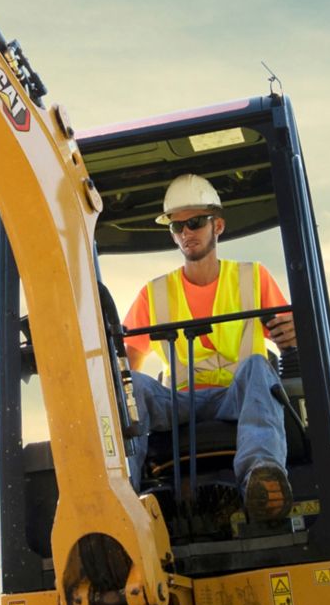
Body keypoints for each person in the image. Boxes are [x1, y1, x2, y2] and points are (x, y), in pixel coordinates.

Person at [120, 174, 298, 522]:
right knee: (133, 386)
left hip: (237, 396)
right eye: (177, 227)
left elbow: (291, 340)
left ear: (217, 225)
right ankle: (123, 490)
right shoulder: (152, 294)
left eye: (195, 222)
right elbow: (126, 361)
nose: (186, 233)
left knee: (260, 367)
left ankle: (261, 476)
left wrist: (294, 337)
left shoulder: (253, 277)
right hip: (179, 403)